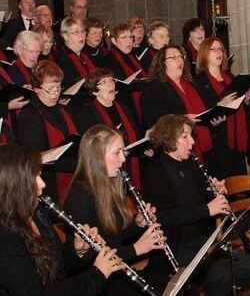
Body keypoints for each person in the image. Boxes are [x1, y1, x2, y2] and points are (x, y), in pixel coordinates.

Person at [143, 114, 250, 295]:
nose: (191, 142)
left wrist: (214, 190)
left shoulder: (189, 163)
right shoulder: (155, 171)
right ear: (169, 138)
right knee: (221, 277)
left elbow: (199, 197)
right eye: (185, 137)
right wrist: (207, 209)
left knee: (248, 267)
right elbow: (165, 216)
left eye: (191, 136)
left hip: (202, 240)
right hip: (175, 245)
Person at [0, 145, 122, 295]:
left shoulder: (37, 213)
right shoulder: (5, 238)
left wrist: (79, 252)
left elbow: (58, 271)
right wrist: (98, 274)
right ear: (13, 184)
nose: (42, 184)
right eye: (34, 177)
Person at [63, 125, 168, 295]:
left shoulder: (107, 186)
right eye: (117, 152)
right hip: (96, 282)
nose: (123, 159)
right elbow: (93, 257)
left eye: (124, 153)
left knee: (171, 284)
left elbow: (113, 237)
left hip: (116, 272)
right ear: (97, 157)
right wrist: (138, 248)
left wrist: (137, 224)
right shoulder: (80, 197)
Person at [141, 46, 227, 163]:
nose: (179, 60)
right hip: (174, 149)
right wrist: (184, 119)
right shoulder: (154, 87)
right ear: (162, 63)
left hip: (202, 145)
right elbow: (153, 122)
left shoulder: (191, 84)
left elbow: (202, 114)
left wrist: (213, 123)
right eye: (173, 57)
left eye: (181, 57)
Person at [16, 60, 80, 200]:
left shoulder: (64, 110)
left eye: (58, 88)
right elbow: (38, 159)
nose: (55, 93)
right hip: (49, 185)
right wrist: (82, 165)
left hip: (74, 180)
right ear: (36, 88)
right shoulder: (29, 117)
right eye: (50, 89)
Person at [76, 68, 145, 187]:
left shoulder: (123, 107)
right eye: (104, 82)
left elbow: (136, 133)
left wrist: (143, 148)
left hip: (131, 165)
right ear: (94, 91)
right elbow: (92, 148)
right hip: (107, 172)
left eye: (111, 80)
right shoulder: (87, 114)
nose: (110, 84)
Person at [194, 37, 248, 178]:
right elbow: (200, 110)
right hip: (217, 138)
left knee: (239, 183)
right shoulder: (199, 81)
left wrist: (246, 99)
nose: (219, 52)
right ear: (205, 53)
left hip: (236, 138)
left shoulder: (230, 76)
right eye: (214, 49)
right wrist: (218, 104)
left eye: (221, 49)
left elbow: (241, 109)